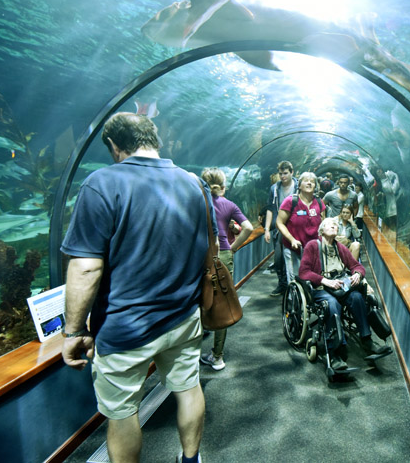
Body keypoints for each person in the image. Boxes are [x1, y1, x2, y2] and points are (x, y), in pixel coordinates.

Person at [60, 112, 206, 463]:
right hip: (184, 316)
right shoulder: (191, 183)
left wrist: (73, 331)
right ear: (155, 140)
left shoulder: (102, 183)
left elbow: (86, 267)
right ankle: (191, 459)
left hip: (127, 327)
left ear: (114, 145)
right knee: (188, 389)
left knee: (123, 411)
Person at [299, 218, 391, 370]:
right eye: (330, 224)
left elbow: (357, 266)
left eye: (335, 224)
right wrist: (325, 281)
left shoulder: (340, 247)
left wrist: (357, 274)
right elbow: (303, 272)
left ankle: (367, 340)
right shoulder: (312, 246)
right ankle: (335, 351)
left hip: (340, 287)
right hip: (321, 289)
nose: (334, 225)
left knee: (357, 298)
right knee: (332, 304)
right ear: (322, 230)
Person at [199, 167, 253, 371]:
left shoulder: (197, 202)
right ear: (223, 185)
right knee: (222, 301)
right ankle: (217, 356)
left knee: (198, 301)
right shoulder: (229, 204)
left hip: (200, 255)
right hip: (222, 256)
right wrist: (232, 248)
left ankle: (192, 353)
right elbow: (247, 227)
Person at [276, 171, 325, 283]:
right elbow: (279, 223)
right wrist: (292, 239)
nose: (309, 183)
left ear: (316, 186)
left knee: (314, 278)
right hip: (294, 248)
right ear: (299, 185)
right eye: (306, 181)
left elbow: (323, 224)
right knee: (295, 280)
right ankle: (293, 300)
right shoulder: (291, 201)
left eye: (312, 182)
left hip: (314, 248)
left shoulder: (319, 202)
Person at [264, 161, 298, 297]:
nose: (283, 176)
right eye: (281, 173)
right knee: (278, 259)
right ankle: (282, 284)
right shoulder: (274, 189)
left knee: (296, 257)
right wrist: (267, 229)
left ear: (291, 172)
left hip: (296, 228)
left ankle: (297, 285)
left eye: (285, 173)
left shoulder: (298, 187)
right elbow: (271, 209)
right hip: (280, 228)